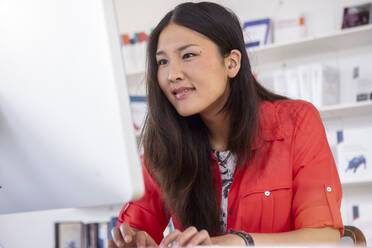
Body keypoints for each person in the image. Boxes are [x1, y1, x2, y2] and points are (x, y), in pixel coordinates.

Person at [109, 2, 343, 247]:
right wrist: (133, 242)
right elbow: (134, 230)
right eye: (162, 62)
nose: (172, 74)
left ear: (231, 63)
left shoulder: (296, 122)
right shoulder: (164, 146)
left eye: (188, 55)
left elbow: (324, 239)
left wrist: (238, 242)